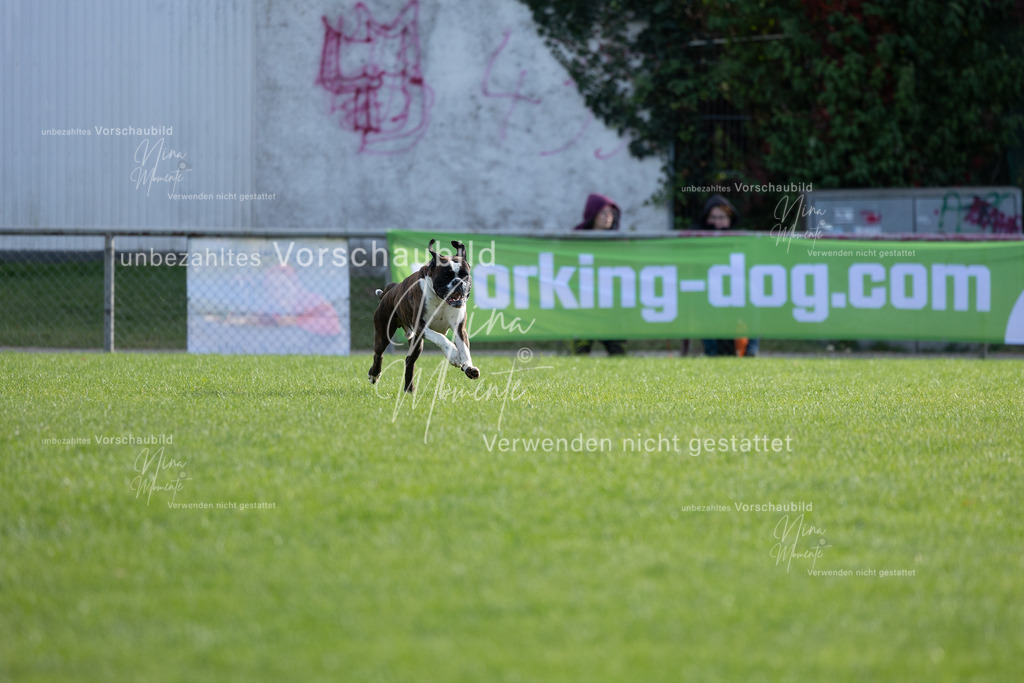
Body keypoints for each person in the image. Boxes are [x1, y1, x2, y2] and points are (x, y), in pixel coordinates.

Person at [696, 194, 759, 357]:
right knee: (703, 307)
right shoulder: (698, 241)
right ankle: (712, 351)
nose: (717, 222)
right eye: (713, 217)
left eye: (722, 217)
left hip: (736, 290)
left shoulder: (740, 241)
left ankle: (751, 350)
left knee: (754, 302)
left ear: (730, 219)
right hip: (709, 292)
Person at [570, 193, 626, 356]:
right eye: (603, 213)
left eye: (611, 213)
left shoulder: (620, 243)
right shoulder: (575, 240)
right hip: (583, 306)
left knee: (618, 354)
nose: (608, 217)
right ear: (593, 214)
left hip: (610, 307)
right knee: (580, 354)